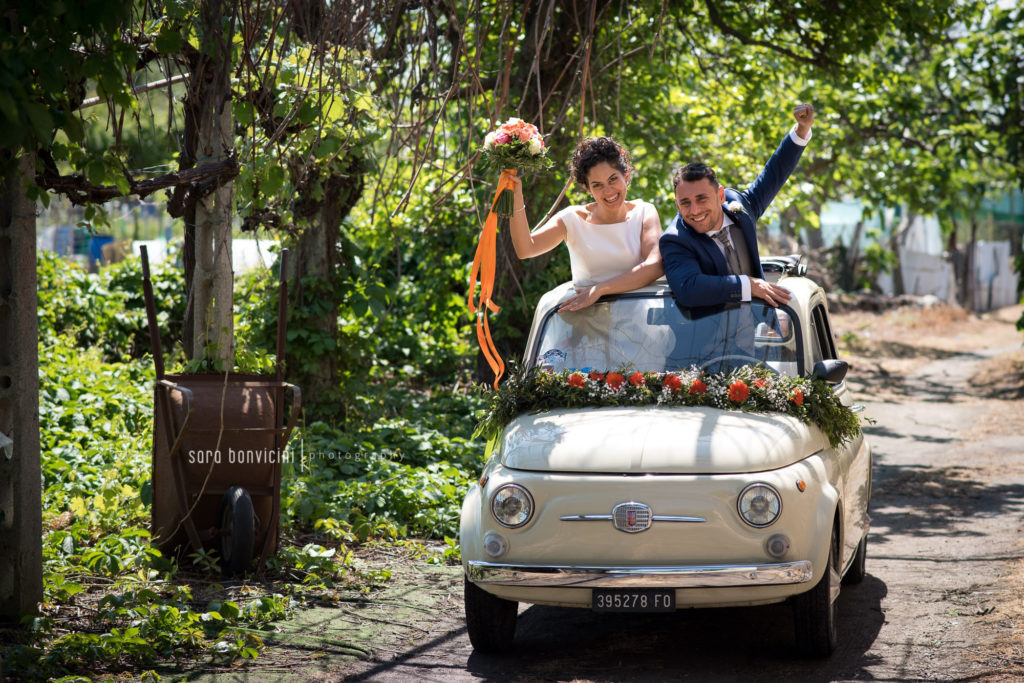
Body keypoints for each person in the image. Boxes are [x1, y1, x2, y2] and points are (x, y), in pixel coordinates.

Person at [660, 104, 815, 314]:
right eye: (685, 203)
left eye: (701, 198)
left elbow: (773, 174)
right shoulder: (675, 239)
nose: (694, 210)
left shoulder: (740, 207)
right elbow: (689, 288)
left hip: (761, 334)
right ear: (677, 205)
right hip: (704, 341)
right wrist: (748, 285)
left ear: (720, 196)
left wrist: (801, 130)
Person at [506, 136, 664, 312]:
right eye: (597, 185)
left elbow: (655, 266)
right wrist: (516, 197)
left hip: (638, 321)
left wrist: (599, 290)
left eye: (613, 179)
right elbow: (525, 249)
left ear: (626, 175)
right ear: (587, 188)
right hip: (586, 325)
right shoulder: (571, 219)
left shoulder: (644, 212)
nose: (608, 191)